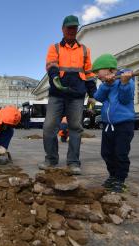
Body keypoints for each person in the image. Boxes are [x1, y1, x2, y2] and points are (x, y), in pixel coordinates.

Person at [39, 15, 97, 175]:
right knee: (49, 127)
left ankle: (73, 162)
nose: (72, 30)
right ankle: (51, 159)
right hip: (58, 94)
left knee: (75, 128)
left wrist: (92, 94)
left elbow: (89, 73)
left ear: (77, 29)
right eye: (69, 28)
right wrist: (55, 78)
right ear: (63, 29)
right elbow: (51, 66)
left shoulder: (85, 50)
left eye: (74, 28)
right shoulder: (55, 48)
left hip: (77, 95)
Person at [92, 54, 134, 193]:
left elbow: (125, 99)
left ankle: (120, 180)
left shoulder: (126, 80)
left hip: (123, 125)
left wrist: (124, 83)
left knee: (120, 153)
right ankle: (113, 176)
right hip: (107, 125)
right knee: (106, 153)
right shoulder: (106, 84)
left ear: (109, 69)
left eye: (98, 71)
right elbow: (98, 97)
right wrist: (106, 84)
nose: (96, 75)